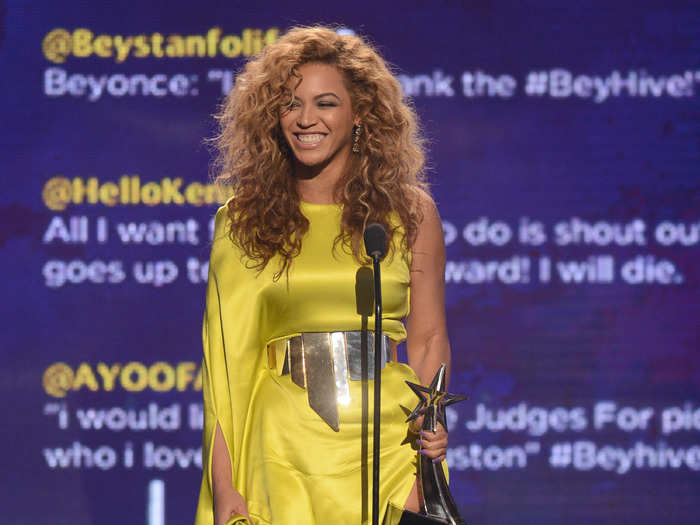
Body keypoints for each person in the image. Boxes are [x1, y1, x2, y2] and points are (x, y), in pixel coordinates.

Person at [194, 25, 452, 525]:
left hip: (388, 449)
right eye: (291, 104)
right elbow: (228, 369)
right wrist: (226, 490)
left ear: (361, 115)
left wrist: (427, 451)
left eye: (326, 103)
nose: (306, 119)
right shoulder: (242, 221)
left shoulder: (410, 212)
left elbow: (428, 339)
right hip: (282, 447)